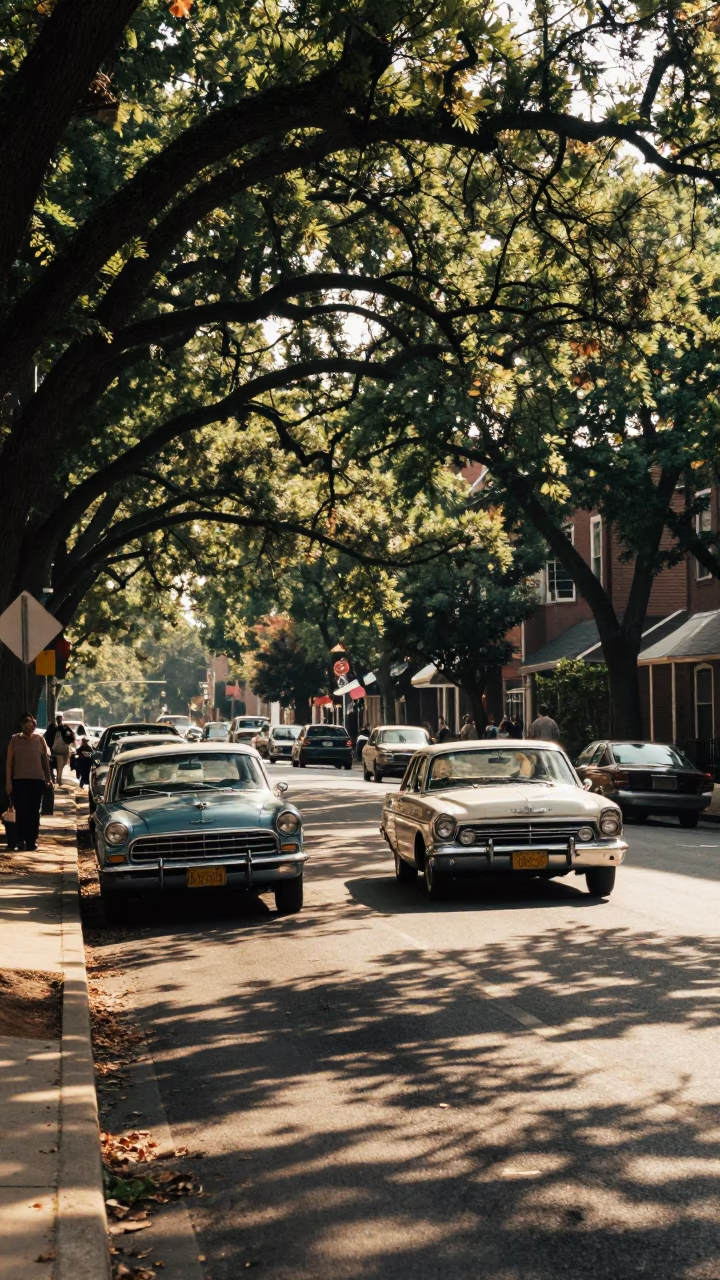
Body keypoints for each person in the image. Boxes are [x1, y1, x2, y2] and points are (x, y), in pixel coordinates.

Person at [6, 713, 52, 851]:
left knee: (34, 812)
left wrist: (49, 779)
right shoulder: (14, 741)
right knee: (22, 812)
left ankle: (32, 840)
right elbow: (9, 763)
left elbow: (45, 761)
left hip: (36, 781)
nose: (31, 725)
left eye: (32, 722)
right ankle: (21, 840)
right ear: (22, 724)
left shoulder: (39, 739)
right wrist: (8, 783)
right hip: (19, 781)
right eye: (28, 722)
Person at [44, 713, 75, 784]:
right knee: (54, 766)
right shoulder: (53, 728)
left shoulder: (63, 728)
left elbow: (71, 737)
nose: (59, 720)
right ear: (56, 720)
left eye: (60, 719)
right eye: (58, 719)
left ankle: (55, 780)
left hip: (60, 751)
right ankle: (56, 780)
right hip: (55, 751)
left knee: (59, 765)